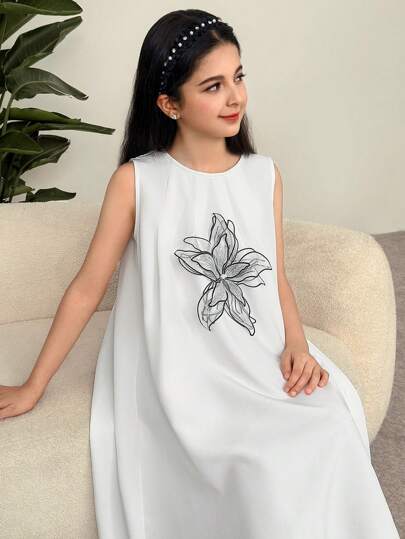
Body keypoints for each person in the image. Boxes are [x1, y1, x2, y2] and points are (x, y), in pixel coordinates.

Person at [0, 8, 400, 539]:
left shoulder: (263, 175)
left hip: (256, 353)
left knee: (325, 424)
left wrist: (297, 345)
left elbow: (275, 277)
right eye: (213, 86)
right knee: (251, 457)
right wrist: (34, 386)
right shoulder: (138, 182)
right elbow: (87, 289)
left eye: (238, 77)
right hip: (180, 368)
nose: (235, 97)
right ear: (170, 104)